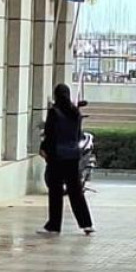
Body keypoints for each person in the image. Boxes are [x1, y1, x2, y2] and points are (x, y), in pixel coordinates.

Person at [39, 84, 94, 236]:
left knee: (55, 192)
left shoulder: (54, 112)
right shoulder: (75, 112)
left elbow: (50, 134)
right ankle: (86, 224)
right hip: (72, 156)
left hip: (57, 157)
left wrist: (44, 149)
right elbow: (77, 135)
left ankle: (54, 225)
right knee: (75, 191)